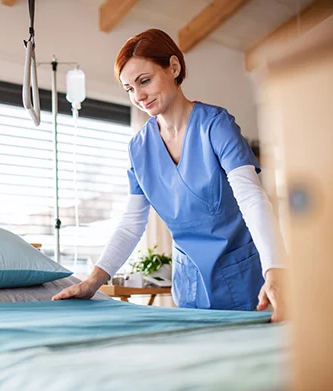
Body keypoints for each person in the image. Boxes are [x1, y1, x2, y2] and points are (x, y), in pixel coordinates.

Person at [52, 29, 287, 322]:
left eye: (144, 81)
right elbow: (131, 224)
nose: (138, 96)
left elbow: (251, 198)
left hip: (243, 278)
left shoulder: (215, 126)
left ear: (173, 68)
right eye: (129, 88)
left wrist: (275, 269)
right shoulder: (139, 148)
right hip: (188, 283)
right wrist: (93, 281)